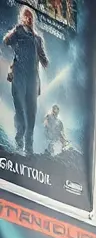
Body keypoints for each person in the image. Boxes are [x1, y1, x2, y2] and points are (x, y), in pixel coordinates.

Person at [4, 6, 46, 155]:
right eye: (26, 16)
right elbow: (6, 41)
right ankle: (19, 143)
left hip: (33, 80)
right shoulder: (18, 31)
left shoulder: (38, 39)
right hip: (19, 77)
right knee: (20, 111)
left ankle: (29, 147)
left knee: (31, 114)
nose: (29, 18)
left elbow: (44, 59)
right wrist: (15, 31)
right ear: (22, 18)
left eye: (31, 16)